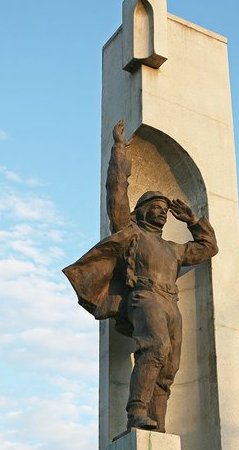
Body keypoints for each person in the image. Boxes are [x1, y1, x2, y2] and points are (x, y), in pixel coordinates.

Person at [63, 120, 218, 432]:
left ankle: (156, 426)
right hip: (144, 298)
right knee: (155, 348)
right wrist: (119, 150)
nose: (161, 211)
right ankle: (136, 413)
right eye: (155, 206)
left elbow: (207, 248)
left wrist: (192, 220)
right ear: (142, 211)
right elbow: (116, 192)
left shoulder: (173, 249)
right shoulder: (131, 232)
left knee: (170, 367)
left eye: (164, 208)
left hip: (170, 303)